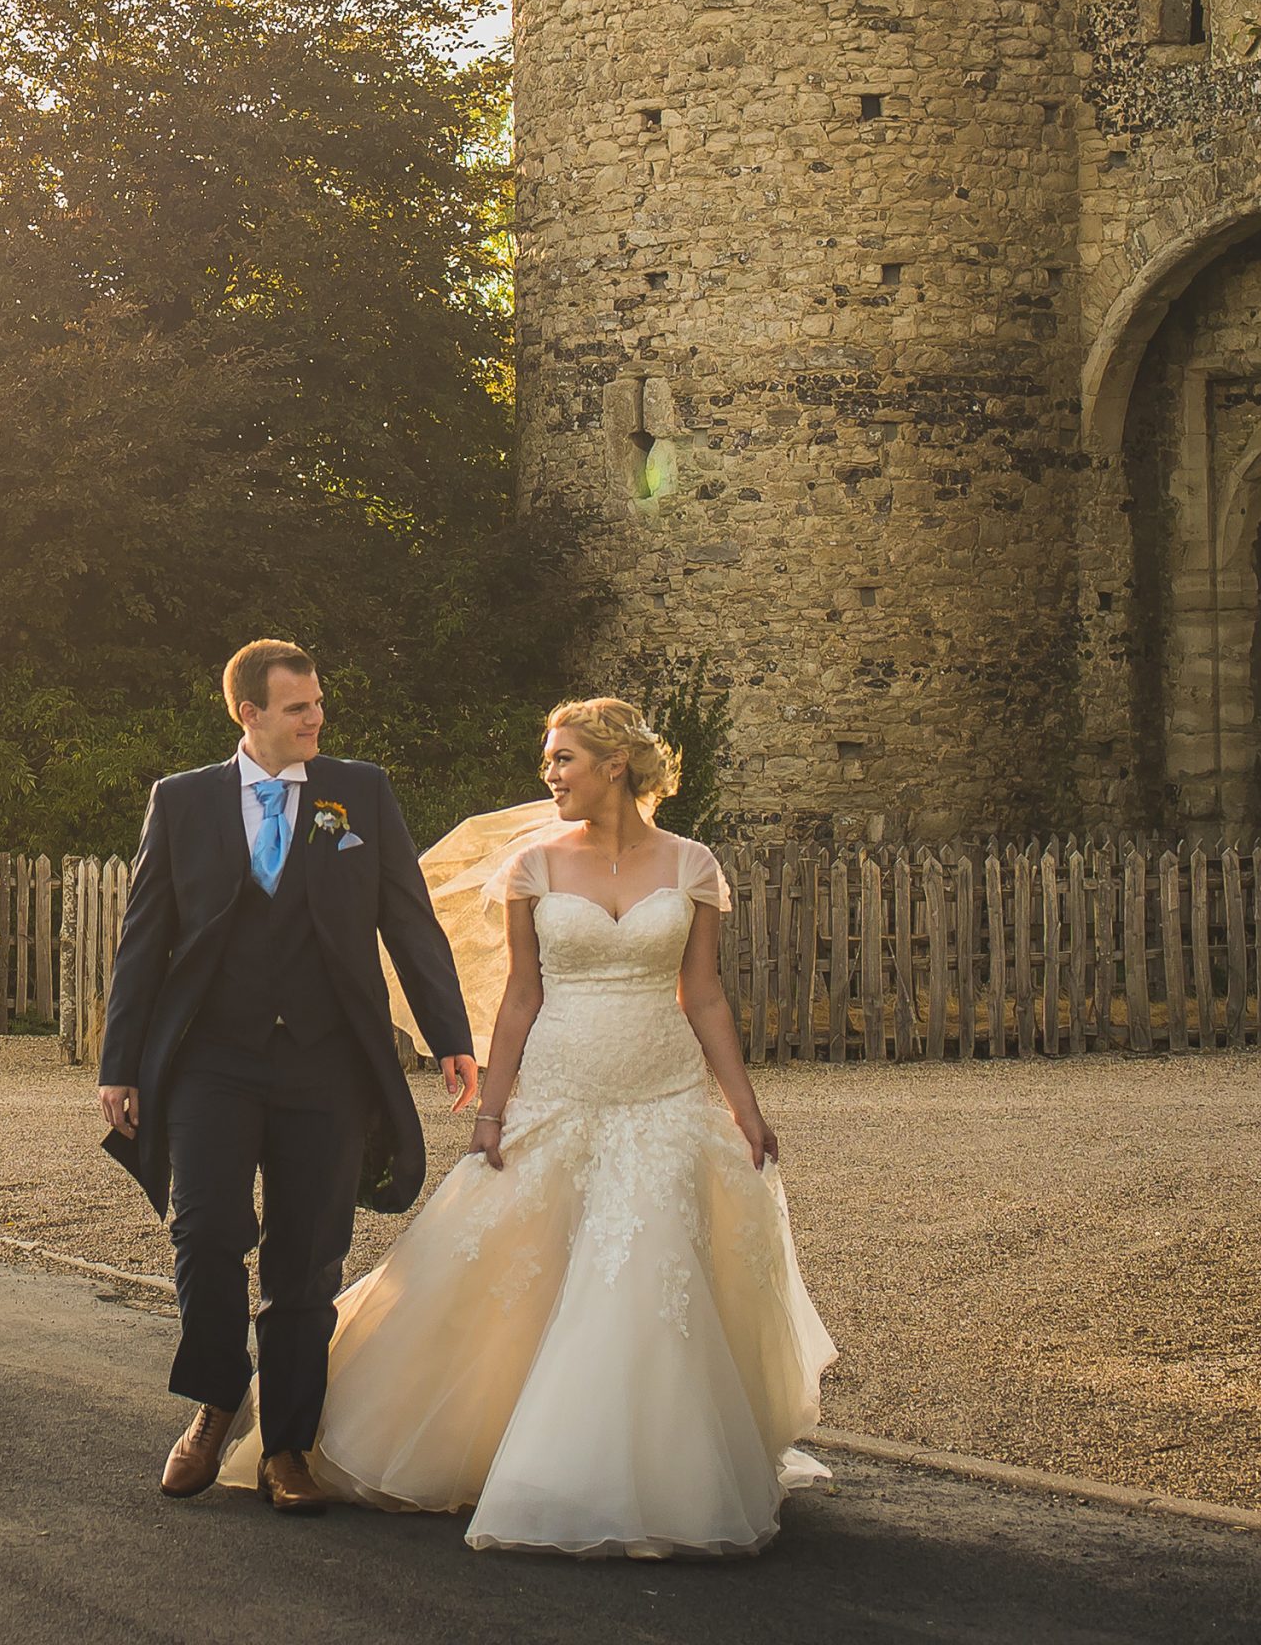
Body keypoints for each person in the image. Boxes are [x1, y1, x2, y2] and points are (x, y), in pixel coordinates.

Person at [220, 695, 836, 1556]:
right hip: (559, 1081)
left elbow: (700, 995)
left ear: (615, 764)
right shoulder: (534, 865)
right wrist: (494, 1110)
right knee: (518, 1260)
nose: (548, 776)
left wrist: (743, 1105)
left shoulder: (692, 865)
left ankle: (652, 1473)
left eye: (562, 760)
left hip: (661, 1089)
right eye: (549, 761)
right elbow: (519, 998)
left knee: (650, 1266)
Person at [97, 640, 477, 1514]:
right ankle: (216, 1400)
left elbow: (407, 920)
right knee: (204, 1232)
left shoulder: (361, 792)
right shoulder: (183, 800)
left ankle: (289, 1449)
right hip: (211, 1061)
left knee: (307, 1260)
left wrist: (449, 1034)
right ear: (249, 714)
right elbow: (143, 941)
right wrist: (120, 1064)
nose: (316, 719)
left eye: (317, 703)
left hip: (325, 1063)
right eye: (298, 707)